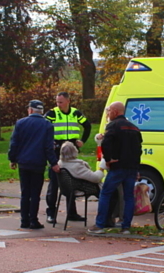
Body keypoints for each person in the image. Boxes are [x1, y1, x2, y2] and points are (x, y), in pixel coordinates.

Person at [88, 101, 142, 235]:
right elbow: (138, 149)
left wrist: (108, 159)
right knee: (128, 196)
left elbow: (106, 143)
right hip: (131, 167)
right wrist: (137, 168)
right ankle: (126, 227)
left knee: (105, 193)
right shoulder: (134, 128)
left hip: (118, 167)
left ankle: (100, 225)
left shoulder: (113, 126)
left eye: (109, 111)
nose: (108, 113)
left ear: (115, 112)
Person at [8, 100, 60, 229]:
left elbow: (14, 143)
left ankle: (24, 220)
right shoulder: (47, 125)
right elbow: (48, 147)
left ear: (30, 110)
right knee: (35, 193)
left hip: (24, 162)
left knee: (25, 192)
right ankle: (33, 220)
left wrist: (12, 159)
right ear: (41, 111)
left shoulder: (20, 123)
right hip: (38, 163)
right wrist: (53, 162)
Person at [45, 92, 91, 223]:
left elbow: (87, 126)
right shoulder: (52, 114)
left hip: (70, 151)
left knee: (71, 182)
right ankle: (51, 213)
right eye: (57, 102)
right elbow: (43, 127)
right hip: (56, 150)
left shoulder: (75, 113)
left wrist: (83, 140)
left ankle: (72, 213)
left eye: (61, 102)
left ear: (68, 101)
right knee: (54, 182)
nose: (58, 105)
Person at [57, 141, 105, 220]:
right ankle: (106, 217)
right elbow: (96, 178)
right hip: (82, 188)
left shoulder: (60, 163)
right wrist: (102, 168)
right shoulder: (77, 166)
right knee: (108, 193)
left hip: (66, 189)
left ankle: (71, 214)